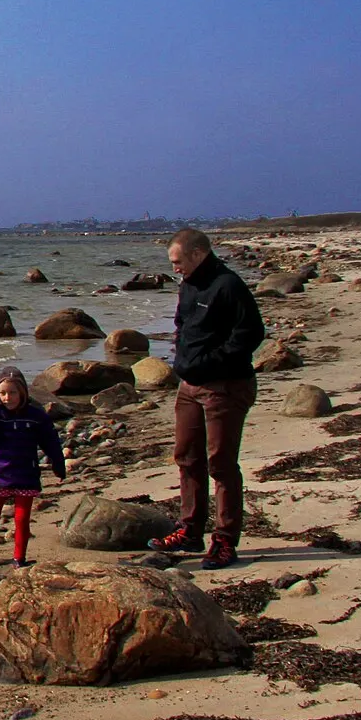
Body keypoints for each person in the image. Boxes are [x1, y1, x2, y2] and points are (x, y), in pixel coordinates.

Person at [149, 226, 266, 570]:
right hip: (189, 385)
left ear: (198, 254)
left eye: (178, 261)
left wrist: (209, 362)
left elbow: (251, 333)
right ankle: (190, 530)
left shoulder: (228, 286)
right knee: (187, 457)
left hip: (225, 386)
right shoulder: (188, 285)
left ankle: (225, 540)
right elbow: (183, 324)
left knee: (221, 463)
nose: (175, 268)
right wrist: (182, 358)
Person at [0, 365, 65, 566]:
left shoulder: (35, 416)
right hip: (0, 475)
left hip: (26, 474)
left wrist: (58, 463)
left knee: (22, 520)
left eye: (12, 393)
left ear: (22, 392)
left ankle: (19, 558)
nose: (8, 398)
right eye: (3, 393)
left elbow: (50, 440)